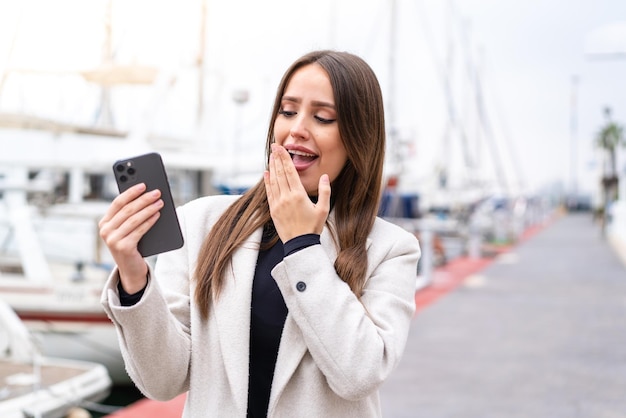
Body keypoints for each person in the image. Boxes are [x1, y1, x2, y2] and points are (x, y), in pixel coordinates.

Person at [99, 49, 421, 418]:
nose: (297, 128)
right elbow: (164, 381)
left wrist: (302, 247)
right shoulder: (201, 223)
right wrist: (134, 276)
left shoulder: (391, 249)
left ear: (359, 139)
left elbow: (359, 375)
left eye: (322, 117)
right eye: (287, 111)